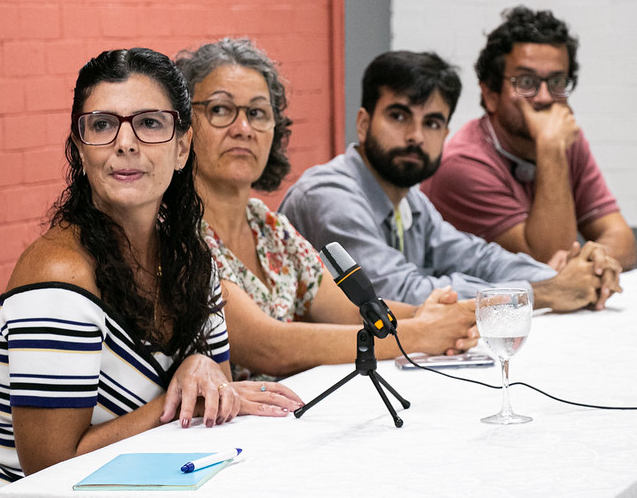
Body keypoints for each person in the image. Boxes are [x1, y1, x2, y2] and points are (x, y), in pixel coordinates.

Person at [0, 48, 302, 497]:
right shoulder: (58, 278)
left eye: (149, 123)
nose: (125, 143)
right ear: (81, 149)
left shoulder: (191, 259)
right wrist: (174, 401)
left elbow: (218, 400)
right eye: (103, 125)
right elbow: (48, 467)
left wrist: (199, 365)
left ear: (183, 147)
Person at [175, 38, 480, 381]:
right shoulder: (173, 233)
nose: (243, 129)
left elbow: (350, 311)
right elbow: (268, 347)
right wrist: (419, 333)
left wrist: (426, 314)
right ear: (183, 128)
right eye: (220, 110)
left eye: (257, 113)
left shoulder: (268, 227)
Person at [280, 50, 622, 311]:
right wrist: (548, 292)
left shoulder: (410, 199)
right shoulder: (328, 196)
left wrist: (573, 278)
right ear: (364, 123)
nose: (415, 136)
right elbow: (400, 295)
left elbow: (479, 258)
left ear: (445, 132)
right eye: (398, 116)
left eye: (431, 123)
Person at [422, 6, 637, 270]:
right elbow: (546, 265)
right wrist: (550, 149)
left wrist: (598, 261)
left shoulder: (565, 141)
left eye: (557, 82)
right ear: (490, 94)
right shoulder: (462, 163)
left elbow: (622, 238)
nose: (545, 97)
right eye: (526, 82)